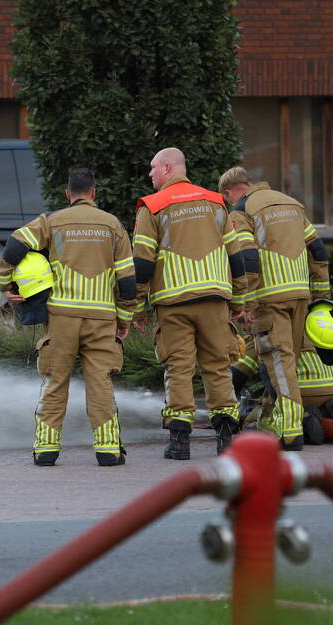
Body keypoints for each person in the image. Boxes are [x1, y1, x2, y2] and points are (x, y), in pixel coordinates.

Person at [0, 169, 136, 467]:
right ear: (94, 193)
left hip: (61, 317)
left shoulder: (52, 221)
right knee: (100, 382)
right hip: (101, 317)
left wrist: (5, 284)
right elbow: (126, 280)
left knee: (54, 380)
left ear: (67, 194)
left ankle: (46, 449)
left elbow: (14, 246)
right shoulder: (113, 225)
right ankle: (108, 450)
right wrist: (124, 319)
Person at [133, 148, 249, 459]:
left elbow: (142, 263)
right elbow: (235, 255)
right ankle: (226, 439)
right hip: (214, 300)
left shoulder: (152, 206)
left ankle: (180, 442)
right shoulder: (215, 201)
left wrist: (136, 307)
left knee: (179, 368)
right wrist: (239, 298)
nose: (150, 174)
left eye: (153, 168)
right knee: (218, 367)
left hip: (174, 303)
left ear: (168, 168)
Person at [217, 166, 331, 451]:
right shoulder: (291, 204)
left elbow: (248, 259)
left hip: (269, 299)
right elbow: (319, 251)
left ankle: (291, 432)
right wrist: (321, 296)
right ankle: (272, 421)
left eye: (226, 197)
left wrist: (244, 302)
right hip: (300, 296)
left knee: (280, 363)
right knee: (282, 361)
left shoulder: (241, 211)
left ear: (231, 191)